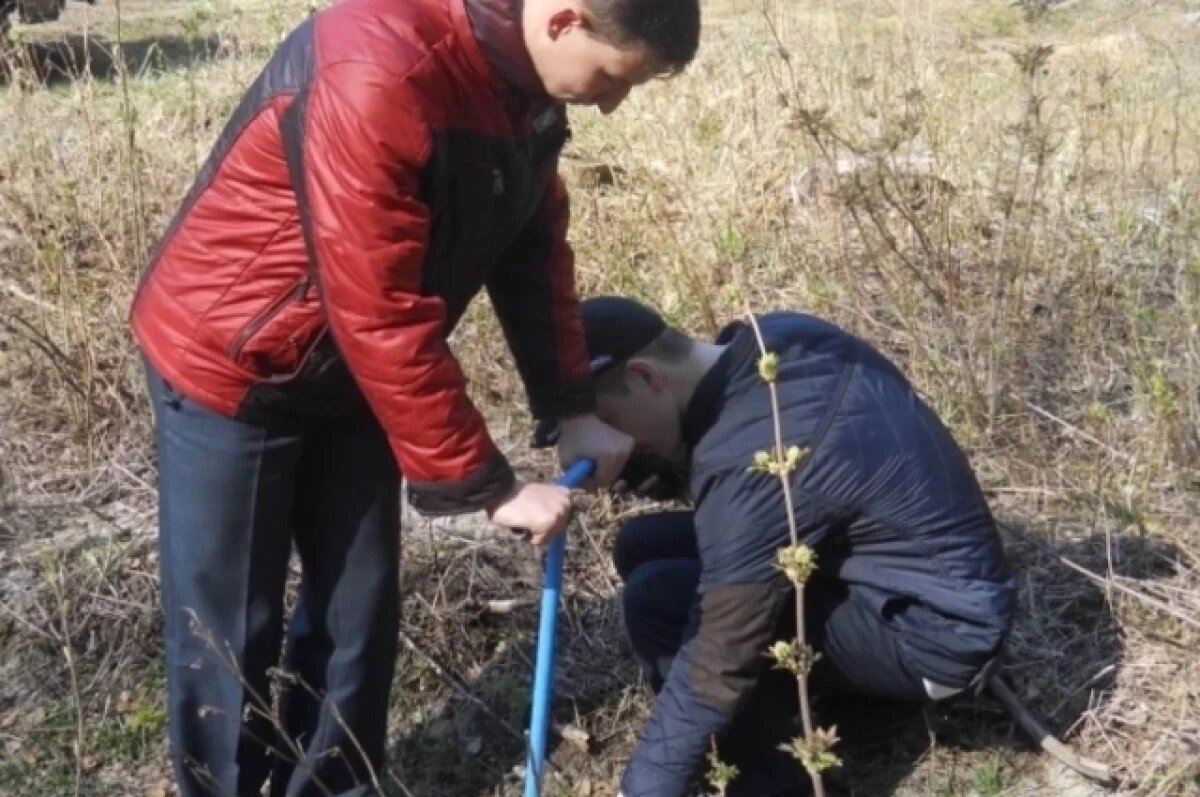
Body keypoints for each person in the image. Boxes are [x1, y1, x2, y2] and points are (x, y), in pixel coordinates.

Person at [127, 0, 700, 793]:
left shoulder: (521, 84)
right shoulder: (380, 68)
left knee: (357, 614)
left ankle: (338, 785)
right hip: (235, 362)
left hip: (353, 375)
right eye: (611, 78)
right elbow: (378, 305)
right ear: (565, 20)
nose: (610, 103)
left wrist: (572, 404)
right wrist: (491, 486)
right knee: (228, 629)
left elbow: (534, 248)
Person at [572, 296, 1018, 797]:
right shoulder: (777, 337)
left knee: (658, 599)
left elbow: (719, 656)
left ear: (647, 377)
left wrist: (644, 788)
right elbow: (749, 502)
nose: (613, 444)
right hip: (912, 574)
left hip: (937, 633)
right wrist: (648, 470)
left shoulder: (752, 463)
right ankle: (804, 703)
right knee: (641, 544)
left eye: (610, 421)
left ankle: (779, 784)